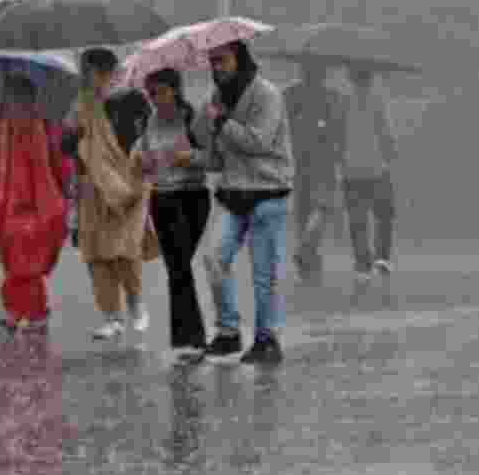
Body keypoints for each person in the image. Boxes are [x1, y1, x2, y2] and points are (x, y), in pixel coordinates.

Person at [194, 39, 294, 365]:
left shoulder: (267, 94)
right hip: (232, 193)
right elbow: (215, 156)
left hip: (268, 192)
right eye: (212, 61)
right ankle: (228, 332)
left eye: (222, 60)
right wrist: (204, 127)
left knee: (263, 273)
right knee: (213, 258)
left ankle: (267, 340)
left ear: (239, 58)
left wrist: (223, 121)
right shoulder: (218, 97)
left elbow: (258, 141)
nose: (216, 67)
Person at [65, 48, 158, 342]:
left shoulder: (135, 99)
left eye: (91, 71)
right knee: (96, 254)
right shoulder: (82, 105)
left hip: (129, 185)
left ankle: (136, 303)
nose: (88, 78)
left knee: (124, 250)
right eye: (86, 72)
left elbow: (153, 137)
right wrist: (74, 133)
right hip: (92, 185)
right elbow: (67, 146)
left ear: (105, 71)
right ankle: (111, 317)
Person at [132, 68, 215, 358]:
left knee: (179, 266)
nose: (156, 99)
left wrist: (188, 157)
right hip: (162, 199)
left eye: (161, 91)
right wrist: (141, 162)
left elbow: (213, 158)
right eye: (151, 93)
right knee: (177, 268)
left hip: (193, 197)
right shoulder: (148, 123)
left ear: (176, 90)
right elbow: (137, 158)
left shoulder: (193, 120)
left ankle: (190, 338)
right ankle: (190, 339)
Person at [0, 74, 73, 332]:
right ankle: (17, 311)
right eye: (8, 100)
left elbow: (52, 165)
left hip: (35, 204)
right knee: (12, 260)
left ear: (28, 100)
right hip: (7, 204)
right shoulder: (2, 128)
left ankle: (37, 313)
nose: (11, 106)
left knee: (27, 262)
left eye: (16, 100)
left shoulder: (40, 127)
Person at [284, 61, 347, 283]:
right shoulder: (333, 96)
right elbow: (338, 129)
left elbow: (283, 125)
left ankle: (308, 262)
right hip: (324, 158)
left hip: (297, 158)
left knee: (303, 211)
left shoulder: (289, 94)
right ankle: (306, 249)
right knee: (322, 206)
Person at [342, 68, 399, 280]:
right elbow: (385, 132)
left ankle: (362, 262)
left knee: (357, 218)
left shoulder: (343, 101)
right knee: (384, 216)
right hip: (377, 168)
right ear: (371, 77)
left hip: (351, 169)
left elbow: (337, 134)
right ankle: (382, 258)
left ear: (351, 77)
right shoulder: (377, 100)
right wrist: (391, 153)